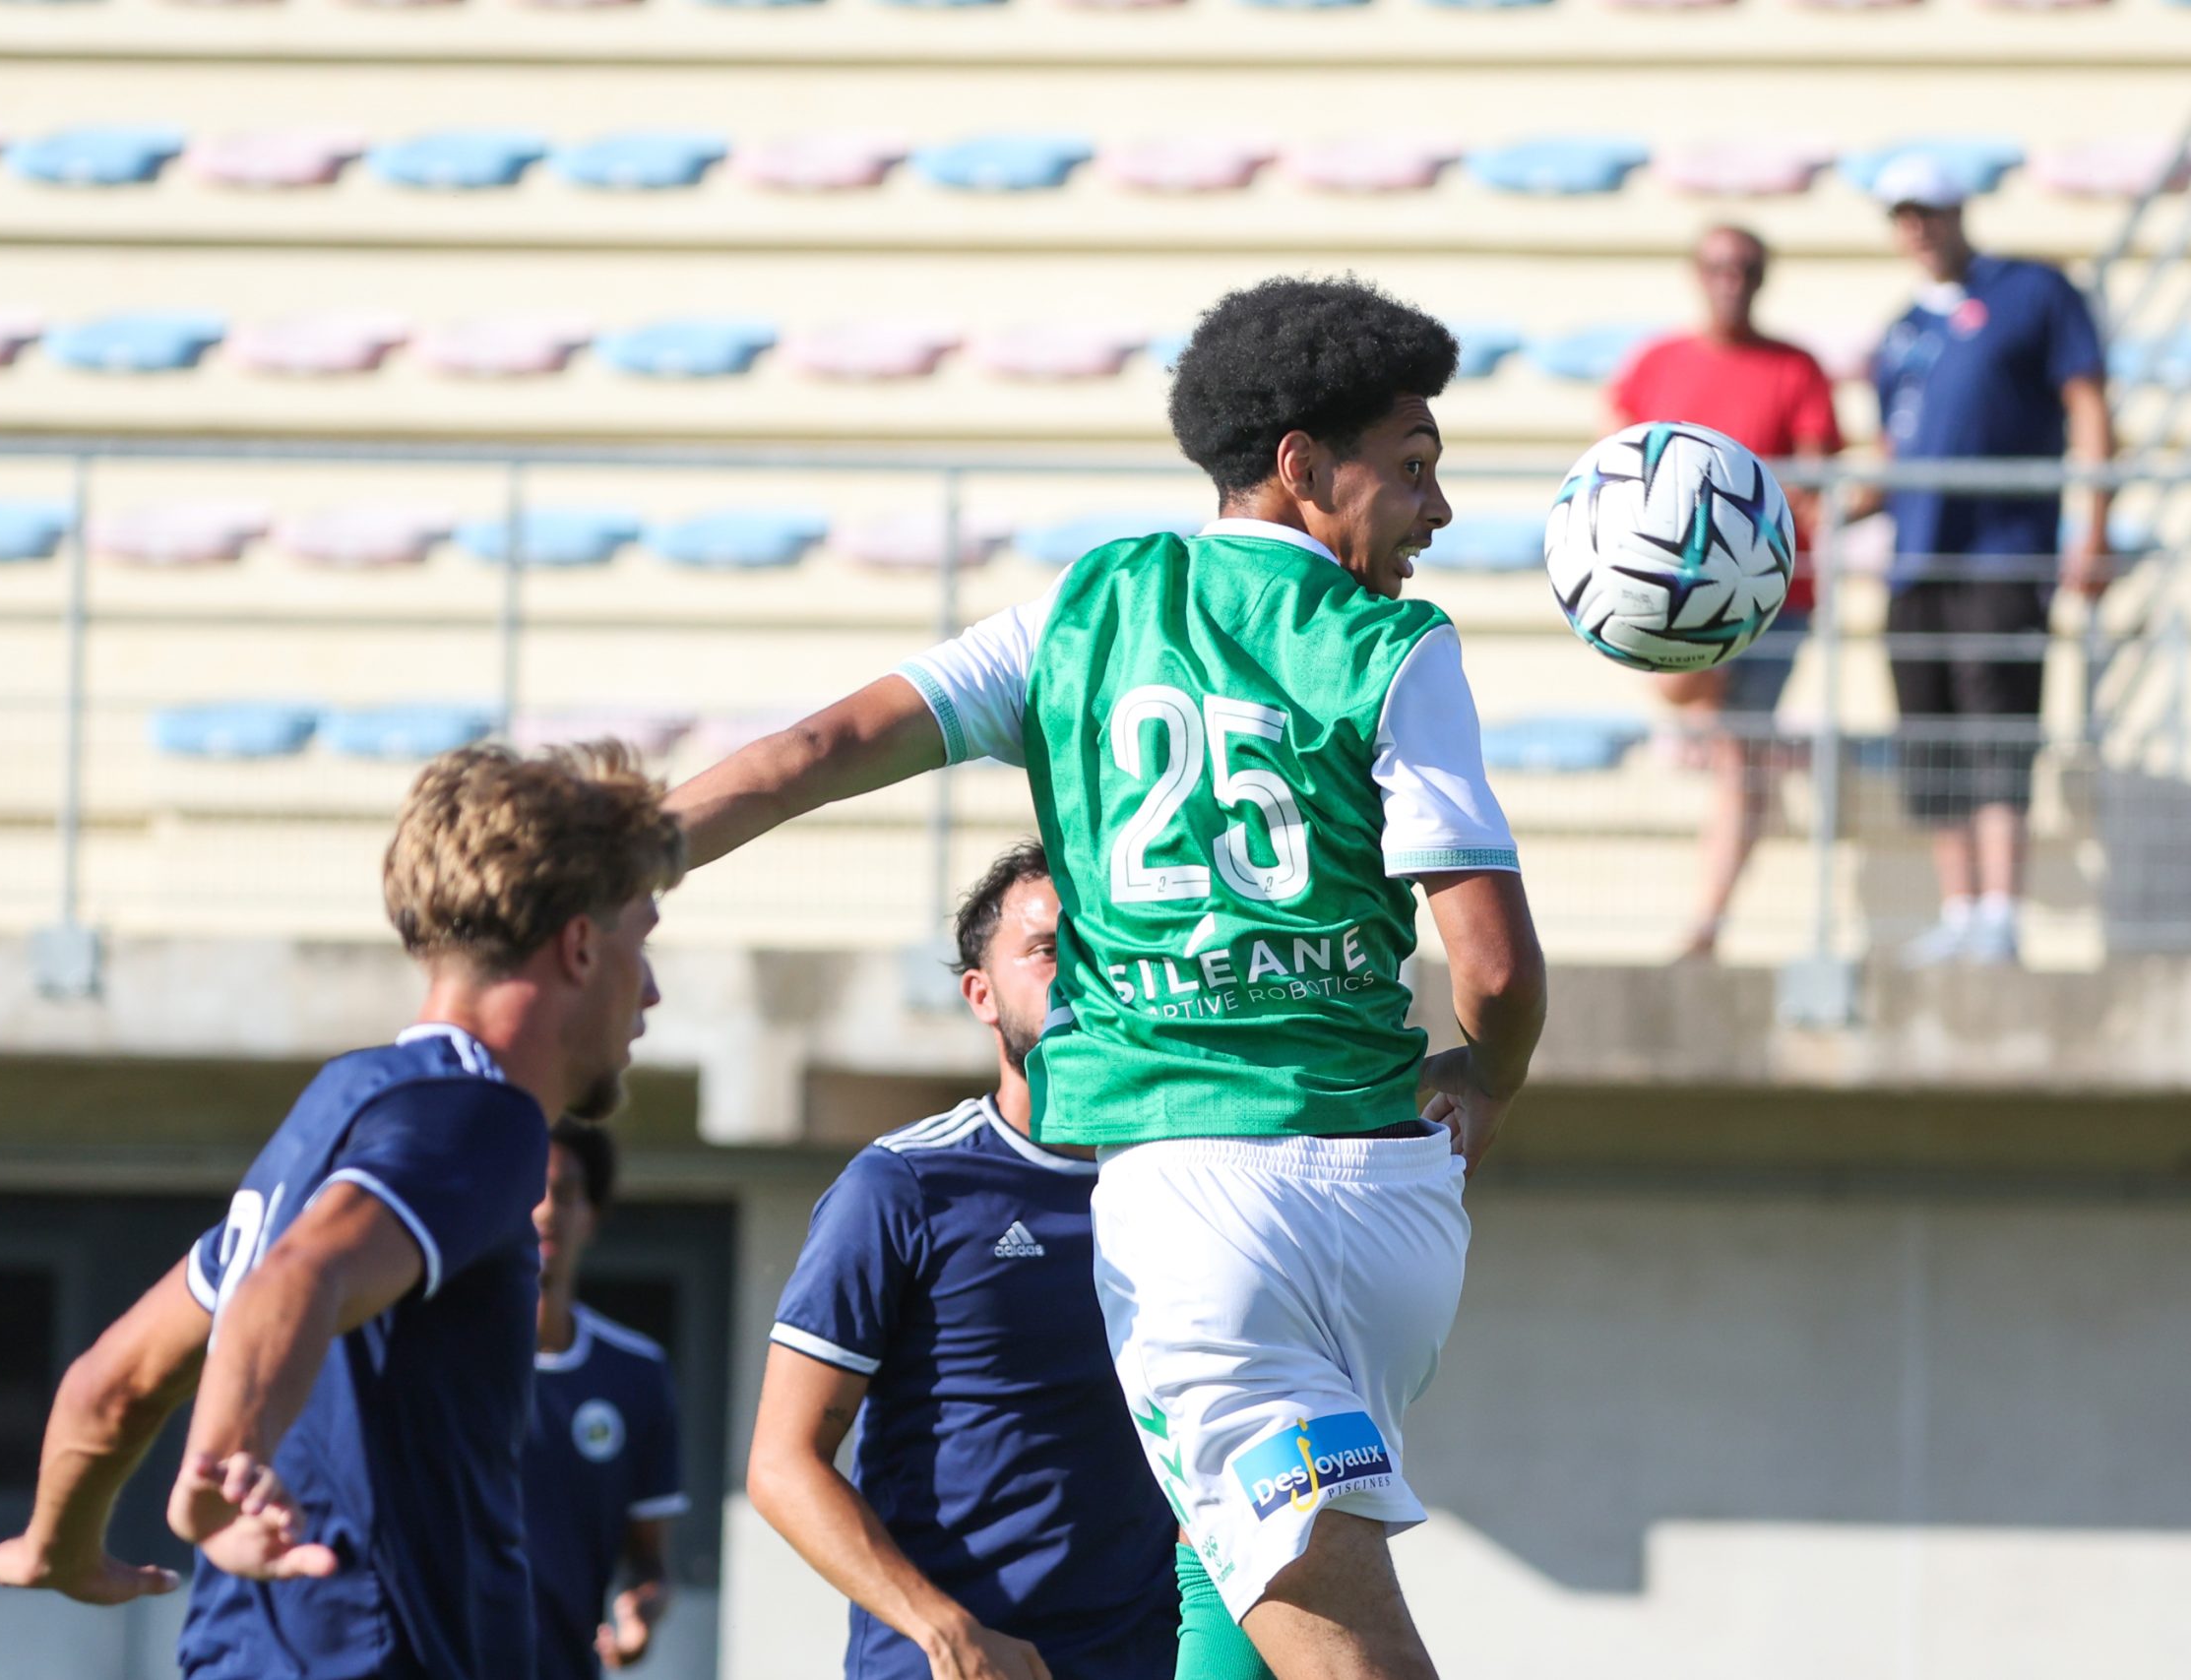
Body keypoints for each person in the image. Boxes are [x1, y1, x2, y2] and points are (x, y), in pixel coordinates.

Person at [671, 276, 1548, 1680]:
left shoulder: (1082, 614)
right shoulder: (1398, 646)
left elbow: (819, 745)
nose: (1436, 513)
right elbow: (1492, 968)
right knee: (1242, 1597)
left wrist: (642, 850)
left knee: (1332, 1635)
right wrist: (1489, 1077)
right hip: (1394, 1206)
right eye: (1418, 467)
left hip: (1203, 1215)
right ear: (1302, 466)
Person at [0, 741, 682, 1680]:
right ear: (583, 945)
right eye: (644, 937)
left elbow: (113, 1382)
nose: (653, 988)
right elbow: (299, 1278)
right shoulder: (484, 1119)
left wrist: (56, 1544)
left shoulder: (340, 1113)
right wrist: (225, 1461)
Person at [747, 842, 1179, 1680]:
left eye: (1105, 946)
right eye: (1050, 950)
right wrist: (943, 1629)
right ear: (980, 993)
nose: (1083, 973)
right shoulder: (902, 1185)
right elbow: (780, 1462)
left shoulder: (1184, 1183)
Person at [1870, 153, 2114, 967]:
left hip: (2000, 554)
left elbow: (2087, 402)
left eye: (1929, 210)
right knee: (1932, 735)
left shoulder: (2032, 292)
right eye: (1904, 214)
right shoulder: (1902, 330)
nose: (1918, 227)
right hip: (1915, 561)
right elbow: (1891, 452)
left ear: (1958, 211)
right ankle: (1961, 907)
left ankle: (2003, 910)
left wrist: (2096, 522)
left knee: (1999, 727)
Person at [1607, 224, 1847, 960]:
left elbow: (1815, 479)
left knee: (1739, 752)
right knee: (1719, 734)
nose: (1730, 278)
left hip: (1773, 596)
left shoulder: (1796, 367)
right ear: (1696, 272)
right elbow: (1617, 465)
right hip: (1677, 594)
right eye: (1718, 264)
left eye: (1745, 265)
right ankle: (1711, 900)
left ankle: (1708, 919)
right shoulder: (1657, 362)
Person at [527, 1117, 688, 1679]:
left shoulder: (635, 1373)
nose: (546, 1209)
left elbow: (648, 1556)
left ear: (590, 1217)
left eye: (566, 1193)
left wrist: (646, 1606)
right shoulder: (443, 1364)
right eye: (529, 1190)